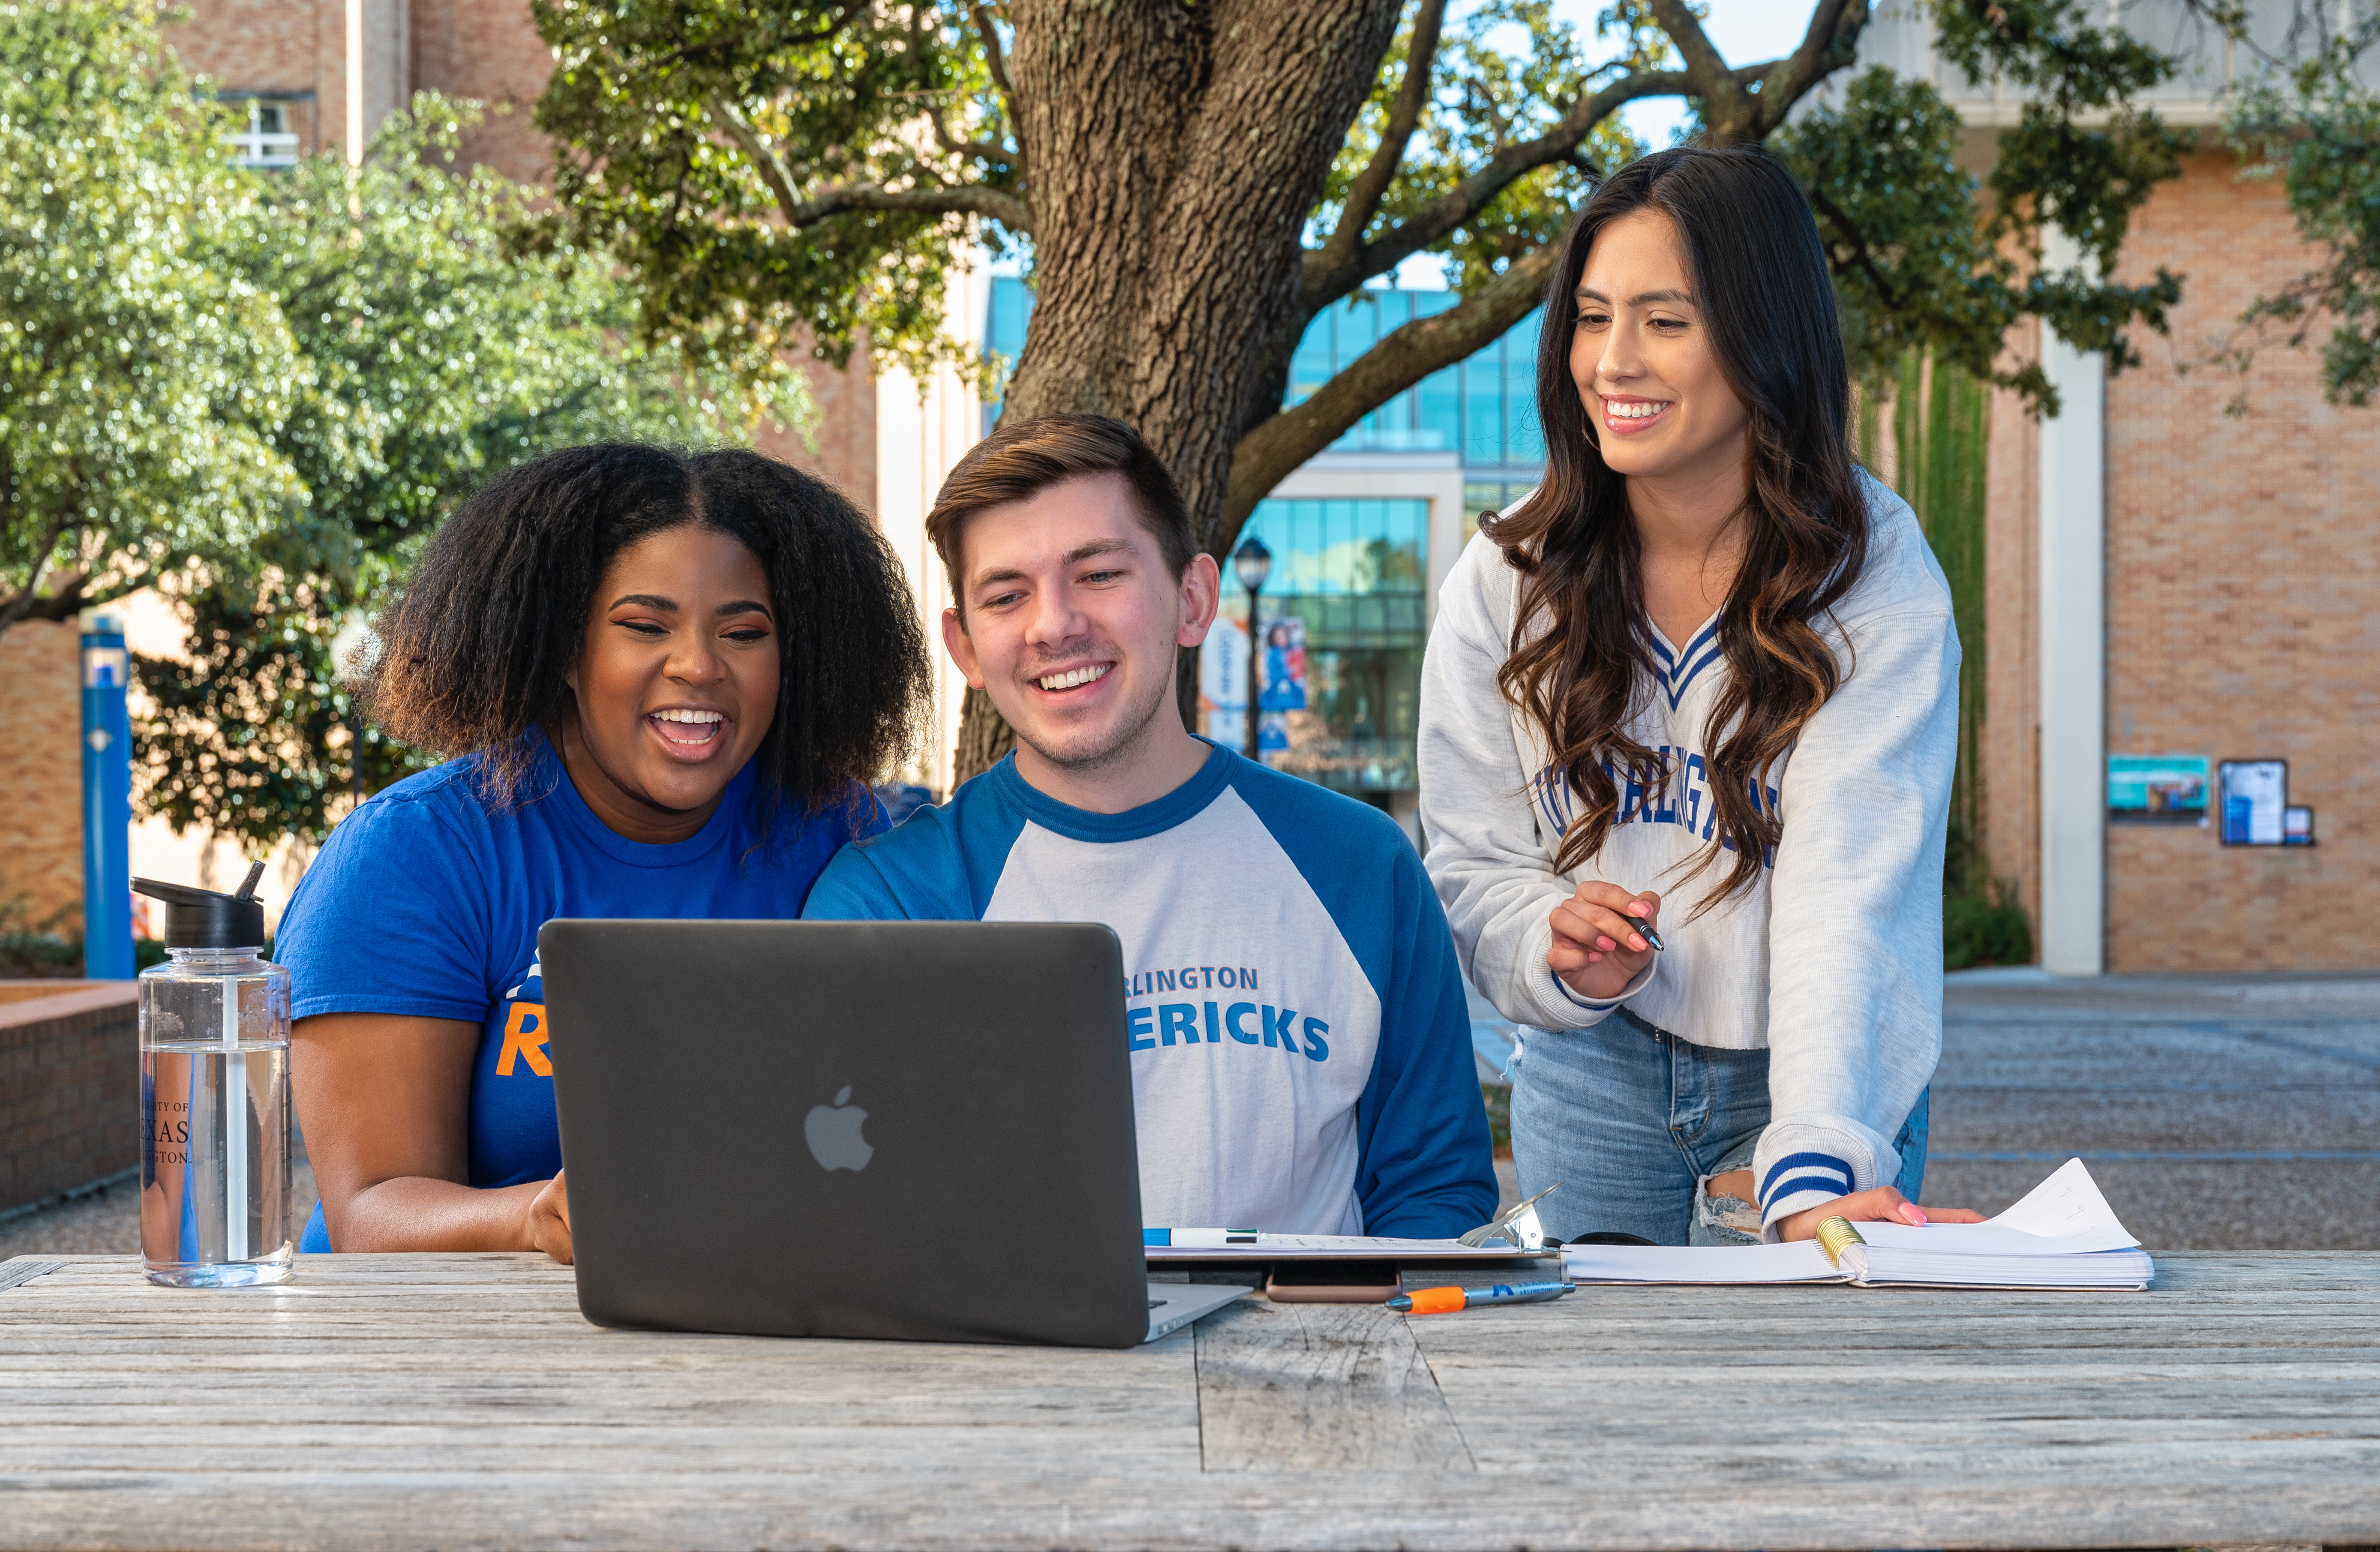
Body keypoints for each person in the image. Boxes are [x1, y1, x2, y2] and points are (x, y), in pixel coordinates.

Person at [1418, 145, 1984, 1248]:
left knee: (1788, 1404)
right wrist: (1553, 940)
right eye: (1590, 317)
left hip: (1813, 1070)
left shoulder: (1871, 577)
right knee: (1588, 1400)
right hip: (1589, 1073)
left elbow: (1848, 894)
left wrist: (1814, 1155)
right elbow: (1473, 859)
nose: (1611, 362)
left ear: (1761, 336)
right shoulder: (1507, 575)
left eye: (1665, 321)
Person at [802, 414, 1495, 1237]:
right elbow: (855, 1214)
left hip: (1308, 1358)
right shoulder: (890, 899)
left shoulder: (1357, 862)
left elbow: (1435, 1192)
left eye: (1096, 574)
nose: (1052, 624)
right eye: (1005, 594)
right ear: (965, 647)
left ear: (1192, 599)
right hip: (1010, 1362)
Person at [276, 444, 929, 1262]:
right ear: (562, 650)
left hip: (754, 1324)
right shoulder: (417, 854)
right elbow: (371, 1212)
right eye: (644, 626)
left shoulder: (847, 836)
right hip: (446, 1351)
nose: (698, 665)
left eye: (744, 631)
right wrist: (532, 1219)